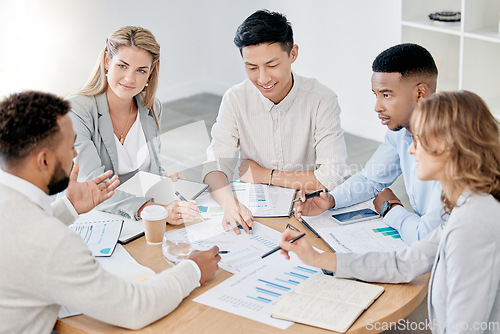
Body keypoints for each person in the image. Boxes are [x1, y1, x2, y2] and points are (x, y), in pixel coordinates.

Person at [0, 91, 220, 333]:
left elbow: (20, 229)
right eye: (70, 147)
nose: (75, 155)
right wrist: (194, 269)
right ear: (43, 161)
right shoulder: (52, 244)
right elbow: (134, 308)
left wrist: (68, 207)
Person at [281, 90, 500, 333]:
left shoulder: (473, 226)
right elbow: (405, 264)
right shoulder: (468, 205)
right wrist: (317, 258)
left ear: (447, 147)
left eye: (419, 140)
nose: (411, 151)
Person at [203, 10, 350, 234]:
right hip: (257, 212)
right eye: (251, 67)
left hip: (310, 209)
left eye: (272, 65)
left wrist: (266, 175)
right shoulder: (235, 99)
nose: (263, 78)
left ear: (293, 53)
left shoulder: (322, 99)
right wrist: (230, 206)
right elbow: (214, 166)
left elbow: (331, 176)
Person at [296, 43, 443, 244]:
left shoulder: (451, 147)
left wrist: (390, 209)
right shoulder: (400, 134)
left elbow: (426, 238)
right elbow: (370, 180)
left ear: (420, 94)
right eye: (376, 95)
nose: (377, 107)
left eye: (387, 95)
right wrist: (332, 199)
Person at [69, 26, 200, 224]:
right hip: (96, 215)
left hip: (139, 213)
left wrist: (163, 177)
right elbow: (94, 188)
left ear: (150, 73)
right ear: (107, 61)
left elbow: (139, 171)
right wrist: (156, 210)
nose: (130, 79)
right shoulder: (77, 110)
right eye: (122, 66)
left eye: (141, 70)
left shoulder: (152, 108)